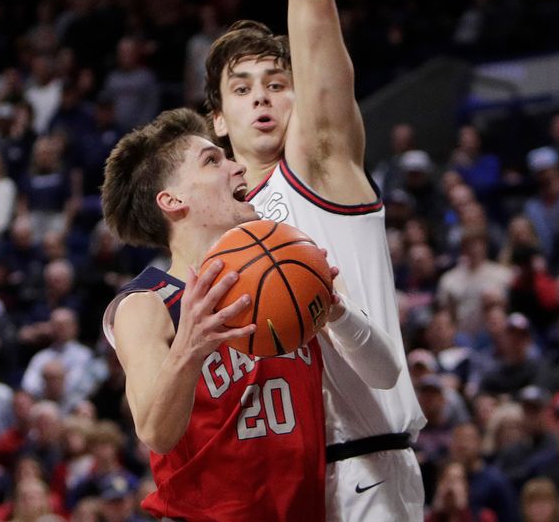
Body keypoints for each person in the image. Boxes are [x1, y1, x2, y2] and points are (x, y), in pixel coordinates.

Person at [203, 0, 423, 518]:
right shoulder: (215, 227)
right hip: (272, 482)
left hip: (363, 466)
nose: (262, 97)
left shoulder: (320, 166)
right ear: (217, 119)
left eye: (278, 84)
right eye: (242, 88)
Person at [99, 108, 398, 520]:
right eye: (212, 161)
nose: (238, 167)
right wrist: (191, 347)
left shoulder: (294, 269)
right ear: (172, 200)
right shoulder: (146, 303)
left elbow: (387, 377)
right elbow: (155, 432)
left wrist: (339, 312)